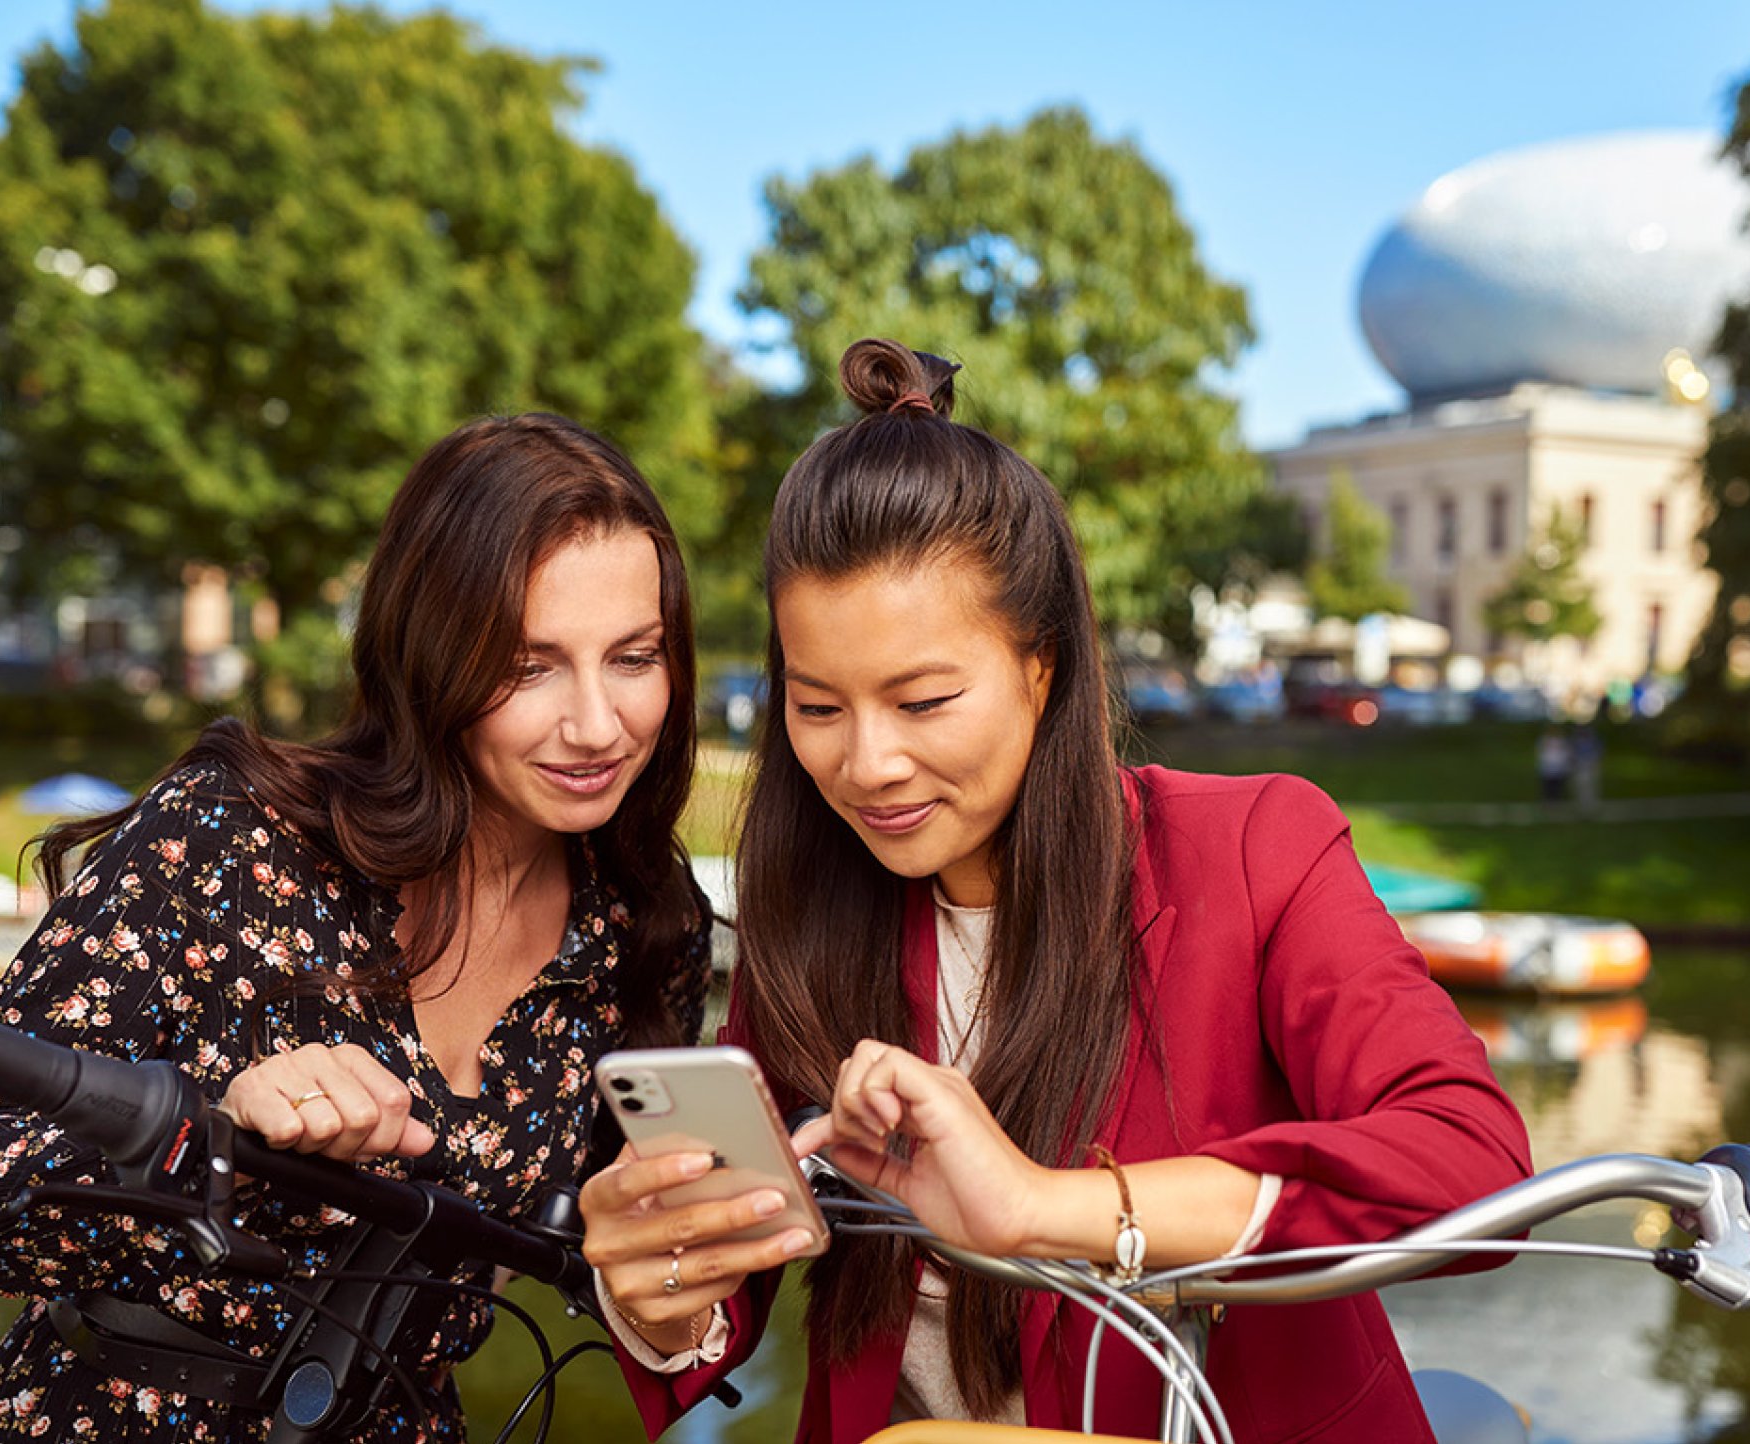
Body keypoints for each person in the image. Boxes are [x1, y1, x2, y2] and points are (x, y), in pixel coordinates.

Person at [583, 339, 1533, 1442]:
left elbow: (1468, 1167)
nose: (866, 764)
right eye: (818, 707)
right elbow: (737, 1279)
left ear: (1041, 667)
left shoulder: (1256, 847)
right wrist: (667, 1294)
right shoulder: (810, 904)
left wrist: (1044, 1206)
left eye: (925, 700)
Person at [0, 414, 717, 1443]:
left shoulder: (645, 922)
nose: (596, 723)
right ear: (433, 656)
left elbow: (621, 1258)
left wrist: (692, 1258)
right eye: (530, 665)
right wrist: (211, 1136)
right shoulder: (231, 834)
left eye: (633, 656)